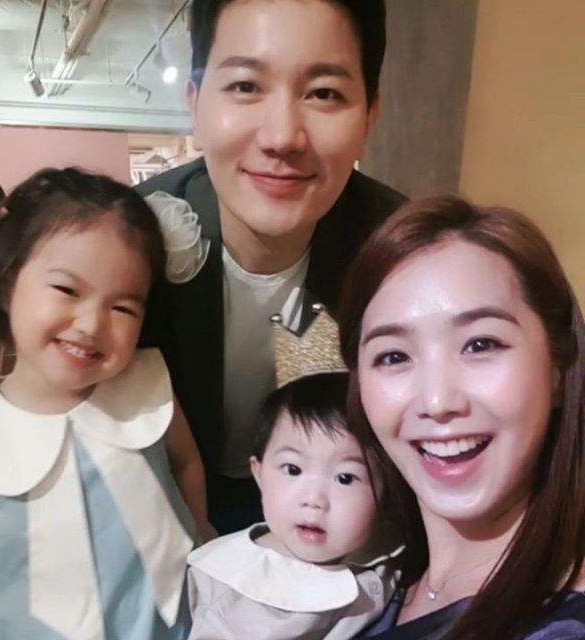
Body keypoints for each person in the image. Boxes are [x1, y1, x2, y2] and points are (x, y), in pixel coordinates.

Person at [138, 0, 405, 534]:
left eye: (324, 93)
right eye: (245, 86)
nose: (282, 137)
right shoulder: (134, 236)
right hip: (159, 504)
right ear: (194, 103)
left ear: (370, 115)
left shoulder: (398, 251)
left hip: (324, 508)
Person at [0, 168, 210, 639]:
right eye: (67, 290)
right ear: (7, 284)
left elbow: (186, 461)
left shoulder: (148, 383)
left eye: (123, 307)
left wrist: (201, 530)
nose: (91, 324)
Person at [338, 196, 585, 639]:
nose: (437, 401)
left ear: (557, 367)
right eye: (393, 356)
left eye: (480, 345)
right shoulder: (370, 587)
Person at [187, 369, 400, 639]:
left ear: (387, 488)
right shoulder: (230, 584)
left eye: (345, 478)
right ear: (259, 474)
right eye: (293, 469)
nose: (313, 500)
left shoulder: (392, 548)